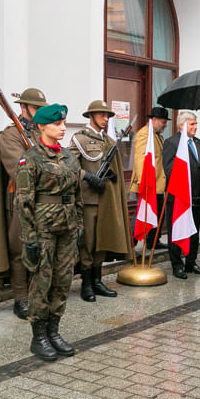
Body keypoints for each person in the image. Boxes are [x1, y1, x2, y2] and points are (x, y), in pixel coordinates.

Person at [15, 103, 83, 362]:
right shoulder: (30, 158)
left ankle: (54, 332)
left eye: (64, 123)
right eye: (57, 124)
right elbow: (23, 201)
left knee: (63, 279)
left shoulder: (69, 156)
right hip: (42, 229)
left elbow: (76, 195)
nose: (63, 128)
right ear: (42, 126)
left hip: (66, 228)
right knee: (41, 282)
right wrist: (30, 238)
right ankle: (39, 337)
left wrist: (78, 227)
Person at [0, 88, 46, 319]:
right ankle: (20, 298)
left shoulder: (42, 133)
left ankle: (38, 293)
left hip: (43, 199)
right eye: (35, 108)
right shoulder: (10, 135)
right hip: (21, 200)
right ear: (23, 108)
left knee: (42, 247)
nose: (39, 114)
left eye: (42, 110)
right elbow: (19, 169)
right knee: (20, 249)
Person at [70, 100, 131, 302]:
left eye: (108, 116)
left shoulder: (108, 140)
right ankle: (86, 284)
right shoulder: (79, 138)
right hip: (88, 201)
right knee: (87, 243)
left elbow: (111, 165)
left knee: (100, 242)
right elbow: (69, 168)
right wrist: (87, 177)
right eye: (102, 115)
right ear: (92, 116)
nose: (106, 119)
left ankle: (97, 281)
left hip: (106, 199)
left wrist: (112, 176)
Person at [162, 111, 200, 279]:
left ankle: (191, 261)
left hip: (196, 196)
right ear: (181, 125)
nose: (195, 127)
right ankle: (177, 264)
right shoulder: (171, 143)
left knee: (194, 230)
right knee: (177, 230)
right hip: (178, 198)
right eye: (192, 124)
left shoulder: (199, 143)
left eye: (196, 124)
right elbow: (168, 170)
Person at [130, 107, 169, 249]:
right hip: (147, 183)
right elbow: (140, 159)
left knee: (158, 213)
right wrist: (144, 182)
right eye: (163, 122)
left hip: (157, 182)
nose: (165, 125)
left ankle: (153, 241)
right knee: (142, 213)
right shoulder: (144, 135)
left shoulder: (157, 135)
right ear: (154, 120)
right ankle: (130, 245)